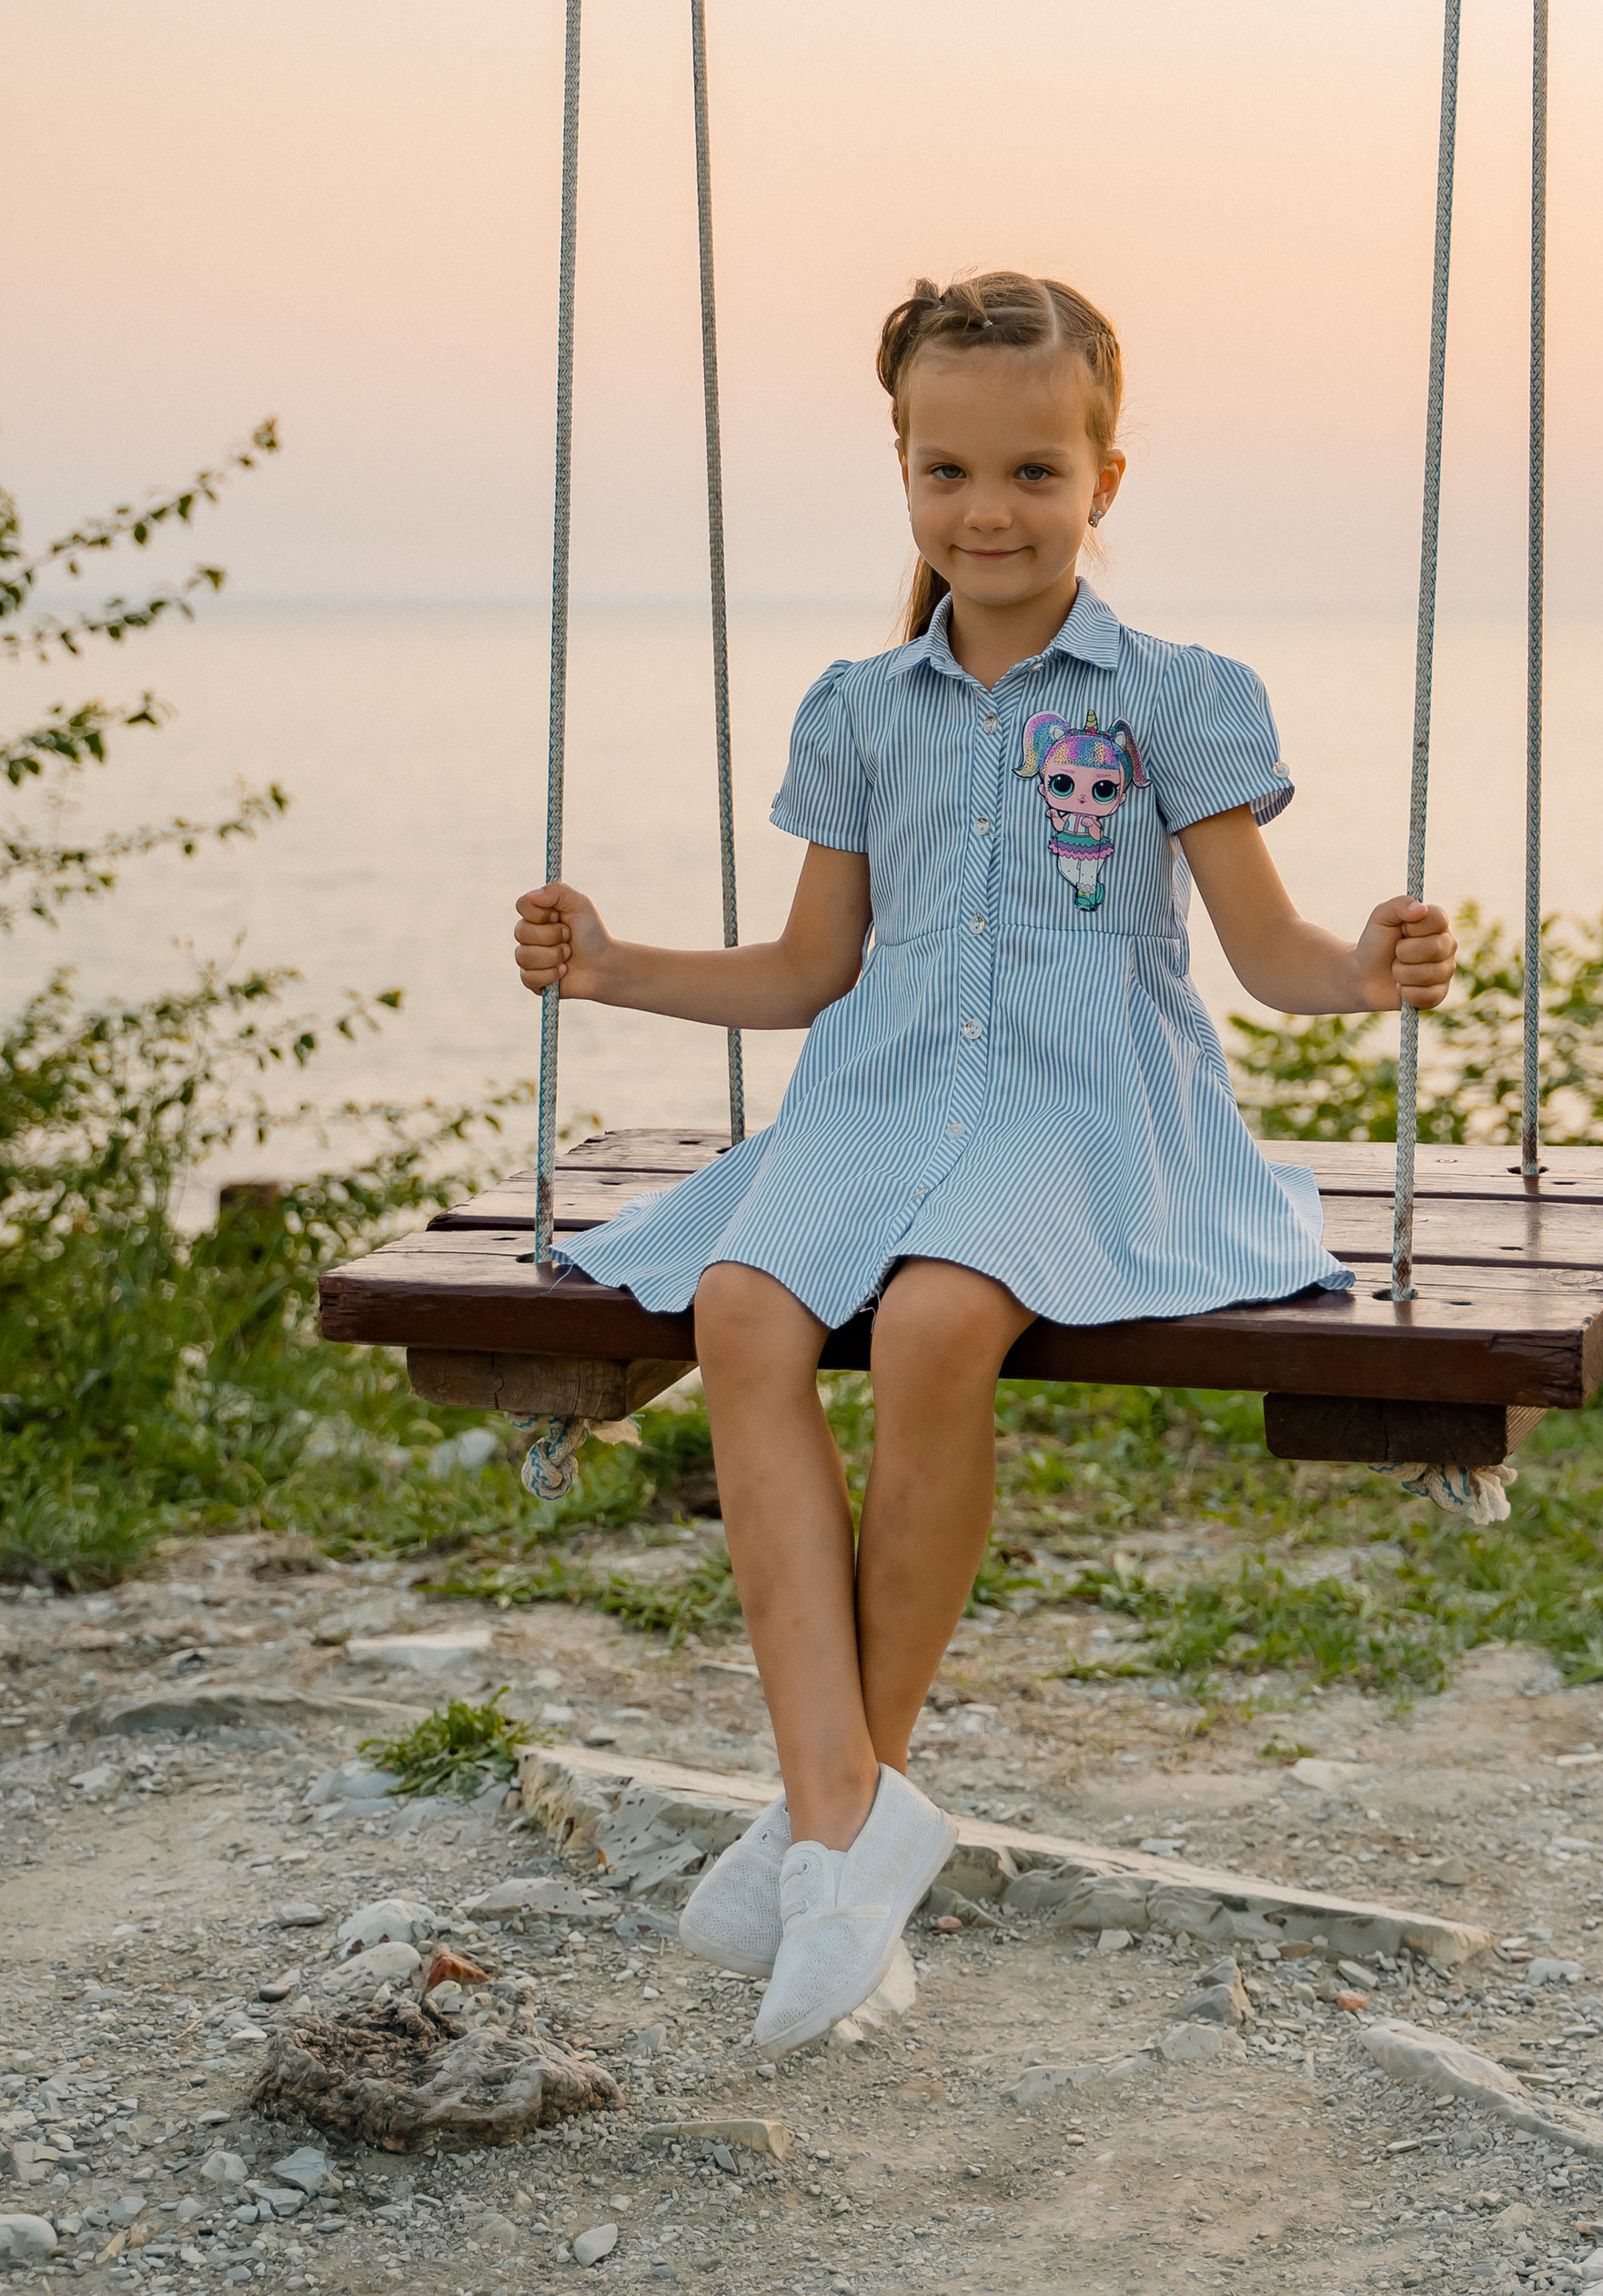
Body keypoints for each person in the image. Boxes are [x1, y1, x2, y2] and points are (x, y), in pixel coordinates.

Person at [512, 269, 1456, 2054]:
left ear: (1105, 476)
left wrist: (1365, 970)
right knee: (739, 1311)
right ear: (902, 469)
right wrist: (614, 965)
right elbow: (807, 974)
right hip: (874, 1097)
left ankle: (832, 1827)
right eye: (945, 472)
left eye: (1033, 472)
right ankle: (843, 1817)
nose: (987, 512)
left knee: (939, 1325)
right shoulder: (859, 709)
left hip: (1083, 1107)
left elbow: (1269, 956)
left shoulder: (1175, 696)